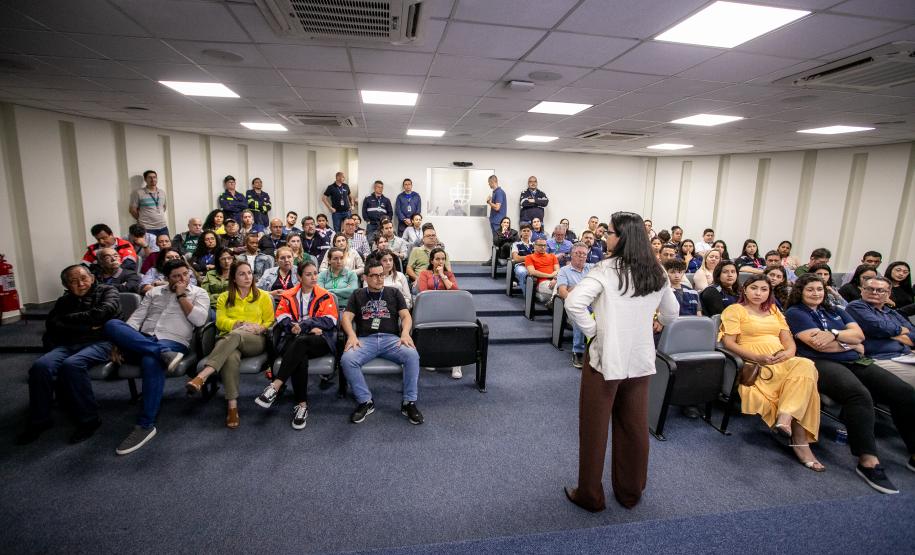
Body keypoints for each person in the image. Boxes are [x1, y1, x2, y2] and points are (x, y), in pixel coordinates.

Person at [563, 211, 678, 512]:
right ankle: (630, 492)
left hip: (606, 360)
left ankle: (590, 495)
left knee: (594, 429)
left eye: (610, 232)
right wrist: (658, 322)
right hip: (640, 358)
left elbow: (573, 303)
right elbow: (672, 312)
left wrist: (593, 332)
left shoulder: (605, 269)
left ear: (622, 237)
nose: (606, 237)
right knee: (634, 427)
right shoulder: (657, 271)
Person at [786, 274, 915, 493]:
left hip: (855, 361)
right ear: (800, 292)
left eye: (819, 289)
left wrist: (834, 334)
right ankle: (868, 461)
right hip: (820, 363)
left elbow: (860, 336)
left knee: (903, 392)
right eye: (810, 289)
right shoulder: (796, 312)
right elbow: (818, 345)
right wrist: (850, 343)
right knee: (859, 395)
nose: (816, 293)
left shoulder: (836, 310)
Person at [719, 275, 823, 471]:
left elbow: (789, 342)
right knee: (804, 386)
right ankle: (801, 443)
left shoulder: (774, 310)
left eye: (764, 289)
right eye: (754, 288)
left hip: (781, 359)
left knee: (806, 365)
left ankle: (785, 417)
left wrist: (787, 354)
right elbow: (729, 343)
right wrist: (758, 357)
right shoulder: (735, 310)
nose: (758, 293)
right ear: (745, 290)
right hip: (755, 363)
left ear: (769, 292)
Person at [105, 259, 209, 454]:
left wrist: (181, 296)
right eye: (176, 276)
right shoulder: (154, 293)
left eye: (185, 274)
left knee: (150, 360)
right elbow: (135, 320)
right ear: (167, 278)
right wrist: (121, 342)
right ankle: (161, 354)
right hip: (143, 339)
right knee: (112, 325)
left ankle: (145, 425)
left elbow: (199, 320)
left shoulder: (199, 293)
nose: (182, 279)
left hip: (173, 341)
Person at [16, 265, 119, 445]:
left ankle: (89, 420)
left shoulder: (107, 291)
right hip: (68, 343)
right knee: (40, 367)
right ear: (66, 285)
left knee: (72, 365)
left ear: (92, 278)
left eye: (84, 278)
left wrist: (69, 320)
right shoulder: (64, 301)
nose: (81, 284)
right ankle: (40, 420)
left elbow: (101, 313)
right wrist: (87, 326)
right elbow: (53, 324)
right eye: (73, 281)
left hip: (101, 341)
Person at [186, 261, 274, 428]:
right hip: (229, 341)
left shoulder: (263, 296)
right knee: (230, 356)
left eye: (249, 273)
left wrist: (260, 328)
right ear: (233, 278)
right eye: (242, 274)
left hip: (255, 340)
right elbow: (220, 321)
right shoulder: (224, 297)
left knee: (235, 336)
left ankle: (203, 375)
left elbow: (270, 321)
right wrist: (237, 325)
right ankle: (232, 406)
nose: (247, 277)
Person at [254, 260, 338, 429]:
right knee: (300, 355)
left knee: (301, 342)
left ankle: (275, 386)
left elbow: (330, 320)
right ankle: (302, 406)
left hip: (319, 341)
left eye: (315, 273)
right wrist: (293, 327)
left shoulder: (325, 295)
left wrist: (304, 325)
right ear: (299, 277)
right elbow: (281, 316)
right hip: (294, 338)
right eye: (308, 274)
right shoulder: (288, 295)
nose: (314, 277)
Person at [340, 257, 423, 425]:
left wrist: (405, 333)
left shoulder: (394, 293)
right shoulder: (358, 294)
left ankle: (409, 402)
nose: (379, 279)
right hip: (365, 340)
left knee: (412, 355)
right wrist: (351, 335)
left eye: (381, 275)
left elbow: (406, 316)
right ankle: (365, 401)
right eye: (374, 275)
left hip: (391, 339)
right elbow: (346, 318)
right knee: (347, 360)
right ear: (365, 277)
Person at [845, 276, 915, 388]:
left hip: (906, 355)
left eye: (880, 290)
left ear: (888, 293)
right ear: (862, 290)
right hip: (880, 357)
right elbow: (878, 327)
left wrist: (890, 334)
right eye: (869, 289)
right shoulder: (856, 307)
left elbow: (913, 333)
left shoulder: (891, 312)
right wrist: (900, 331)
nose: (874, 292)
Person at [556, 243, 593, 369]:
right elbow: (562, 292)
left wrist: (574, 288)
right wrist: (579, 291)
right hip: (574, 305)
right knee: (580, 313)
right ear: (571, 254)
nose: (581, 256)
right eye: (578, 253)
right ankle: (578, 351)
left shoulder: (592, 268)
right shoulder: (564, 271)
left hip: (593, 303)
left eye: (584, 254)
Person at [129, 169, 169, 236]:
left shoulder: (162, 192)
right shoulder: (139, 193)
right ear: (145, 179)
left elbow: (164, 207)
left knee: (166, 243)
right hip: (147, 228)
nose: (153, 179)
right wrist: (141, 219)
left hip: (163, 227)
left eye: (154, 177)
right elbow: (132, 210)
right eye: (150, 177)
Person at [525, 237, 559, 304]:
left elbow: (558, 270)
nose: (543, 247)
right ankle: (552, 303)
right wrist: (550, 275)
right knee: (561, 289)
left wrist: (555, 279)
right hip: (542, 282)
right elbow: (532, 272)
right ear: (535, 246)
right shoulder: (529, 257)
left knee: (565, 287)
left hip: (555, 280)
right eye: (540, 245)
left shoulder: (552, 256)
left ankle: (552, 302)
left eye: (544, 245)